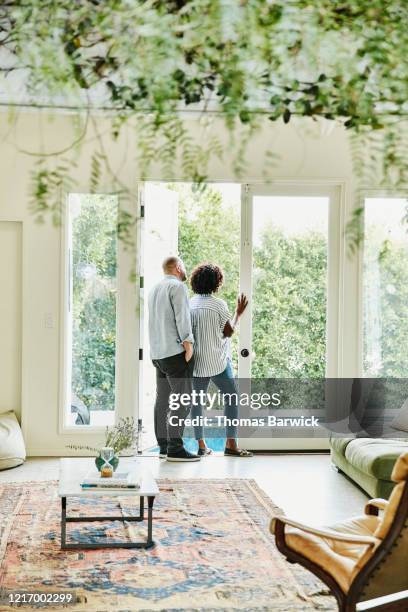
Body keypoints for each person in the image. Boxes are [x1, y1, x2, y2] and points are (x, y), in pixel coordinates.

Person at [189, 262, 252, 457]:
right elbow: (228, 332)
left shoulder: (190, 303)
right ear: (216, 283)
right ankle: (231, 444)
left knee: (196, 404)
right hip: (217, 362)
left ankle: (201, 446)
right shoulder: (218, 305)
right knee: (232, 398)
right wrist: (238, 314)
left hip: (196, 363)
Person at [148, 256, 200, 462]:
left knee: (163, 401)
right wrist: (188, 344)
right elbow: (182, 316)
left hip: (158, 354)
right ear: (178, 267)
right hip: (175, 354)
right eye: (184, 267)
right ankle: (175, 449)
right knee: (182, 400)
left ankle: (163, 446)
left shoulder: (154, 289)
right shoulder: (177, 287)